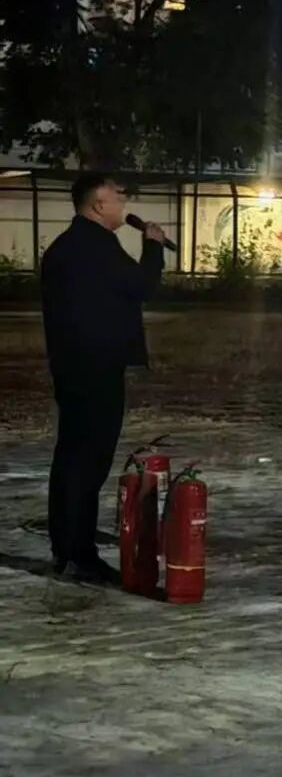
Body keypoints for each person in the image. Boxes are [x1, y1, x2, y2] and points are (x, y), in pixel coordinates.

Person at [41, 173, 166, 581]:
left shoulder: (63, 247)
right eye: (118, 197)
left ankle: (66, 546)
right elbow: (142, 286)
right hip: (97, 367)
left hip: (71, 365)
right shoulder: (97, 246)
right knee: (90, 461)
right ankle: (80, 553)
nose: (123, 203)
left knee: (70, 457)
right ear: (98, 204)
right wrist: (153, 245)